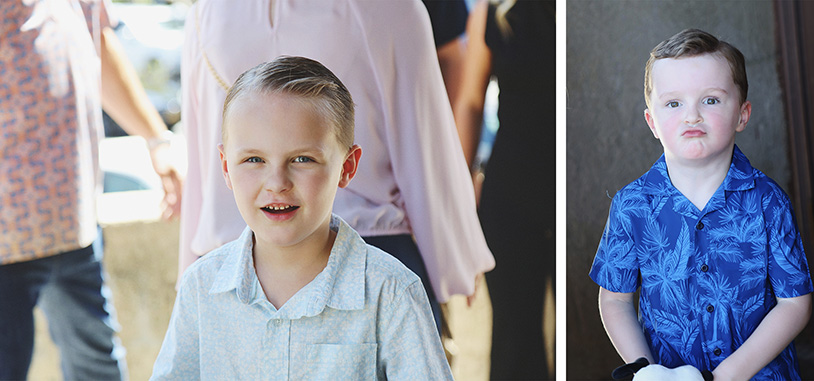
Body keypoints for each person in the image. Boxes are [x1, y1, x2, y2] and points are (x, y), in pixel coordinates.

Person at [177, 0, 495, 334]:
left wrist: (191, 276)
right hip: (368, 263)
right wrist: (454, 256)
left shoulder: (205, 13)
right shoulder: (389, 7)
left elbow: (201, 163)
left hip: (232, 272)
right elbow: (425, 145)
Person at [151, 56, 453, 379]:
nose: (277, 183)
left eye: (302, 159)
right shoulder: (201, 287)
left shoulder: (392, 294)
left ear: (347, 167)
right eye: (254, 159)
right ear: (226, 166)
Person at [589, 29, 814, 380]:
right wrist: (647, 371)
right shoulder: (631, 205)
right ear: (652, 122)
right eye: (674, 103)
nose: (691, 116)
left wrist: (726, 376)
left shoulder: (769, 202)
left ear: (742, 113)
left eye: (710, 100)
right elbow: (615, 300)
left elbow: (795, 304)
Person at [0, 0, 182, 379]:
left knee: (98, 367)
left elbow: (98, 45)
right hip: (8, 232)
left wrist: (155, 139)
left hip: (74, 217)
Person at [454, 0, 556, 378]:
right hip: (510, 192)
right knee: (515, 338)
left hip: (571, 188)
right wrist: (460, 193)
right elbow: (470, 102)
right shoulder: (494, 9)